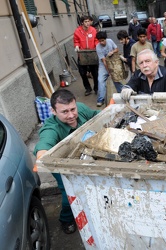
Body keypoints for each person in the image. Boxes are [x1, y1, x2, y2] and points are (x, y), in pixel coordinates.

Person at [34, 89, 100, 234]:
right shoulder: (51, 128)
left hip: (82, 154)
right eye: (64, 112)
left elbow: (96, 116)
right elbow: (44, 144)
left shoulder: (80, 108)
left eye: (72, 109)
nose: (71, 115)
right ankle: (66, 219)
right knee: (69, 191)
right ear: (53, 111)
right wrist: (42, 154)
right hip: (59, 163)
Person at [95, 31, 123, 107]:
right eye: (100, 41)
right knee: (100, 81)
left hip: (113, 63)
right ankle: (100, 99)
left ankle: (122, 94)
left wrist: (112, 51)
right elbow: (104, 61)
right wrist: (109, 72)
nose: (102, 42)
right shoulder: (98, 47)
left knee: (116, 79)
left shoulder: (110, 41)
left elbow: (117, 49)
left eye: (103, 40)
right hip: (103, 66)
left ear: (105, 39)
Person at [73, 15, 99, 96]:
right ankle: (88, 88)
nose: (88, 23)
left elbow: (96, 40)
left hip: (92, 53)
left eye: (88, 21)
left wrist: (97, 46)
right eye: (85, 21)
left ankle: (96, 88)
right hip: (82, 54)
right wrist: (77, 46)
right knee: (82, 73)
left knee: (95, 73)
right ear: (82, 22)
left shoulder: (93, 30)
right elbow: (76, 40)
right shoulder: (77, 31)